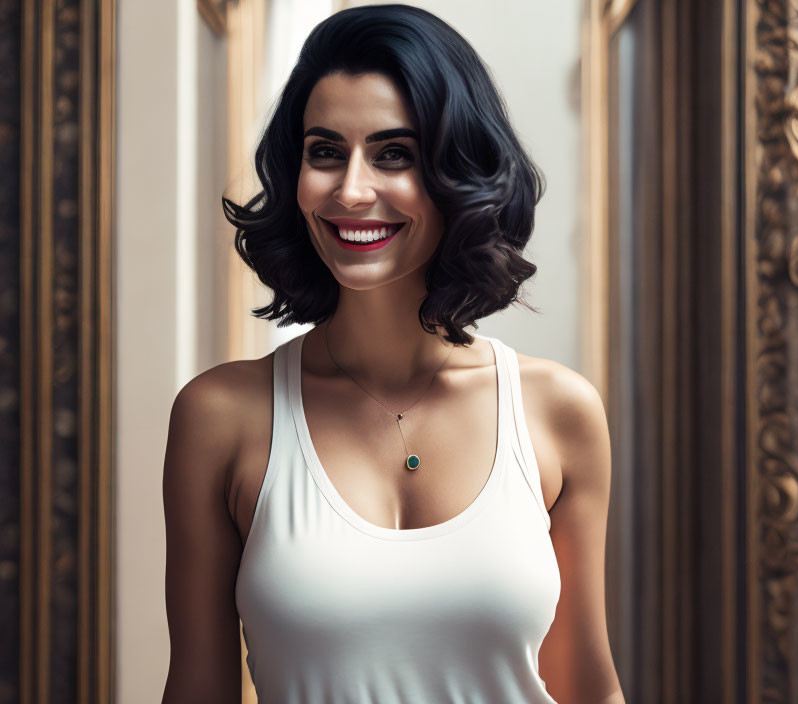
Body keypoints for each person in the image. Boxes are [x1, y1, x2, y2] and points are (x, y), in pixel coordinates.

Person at [161, 4, 623, 703]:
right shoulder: (220, 417)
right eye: (324, 152)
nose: (350, 189)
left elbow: (589, 689)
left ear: (455, 172)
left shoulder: (558, 413)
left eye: (393, 154)